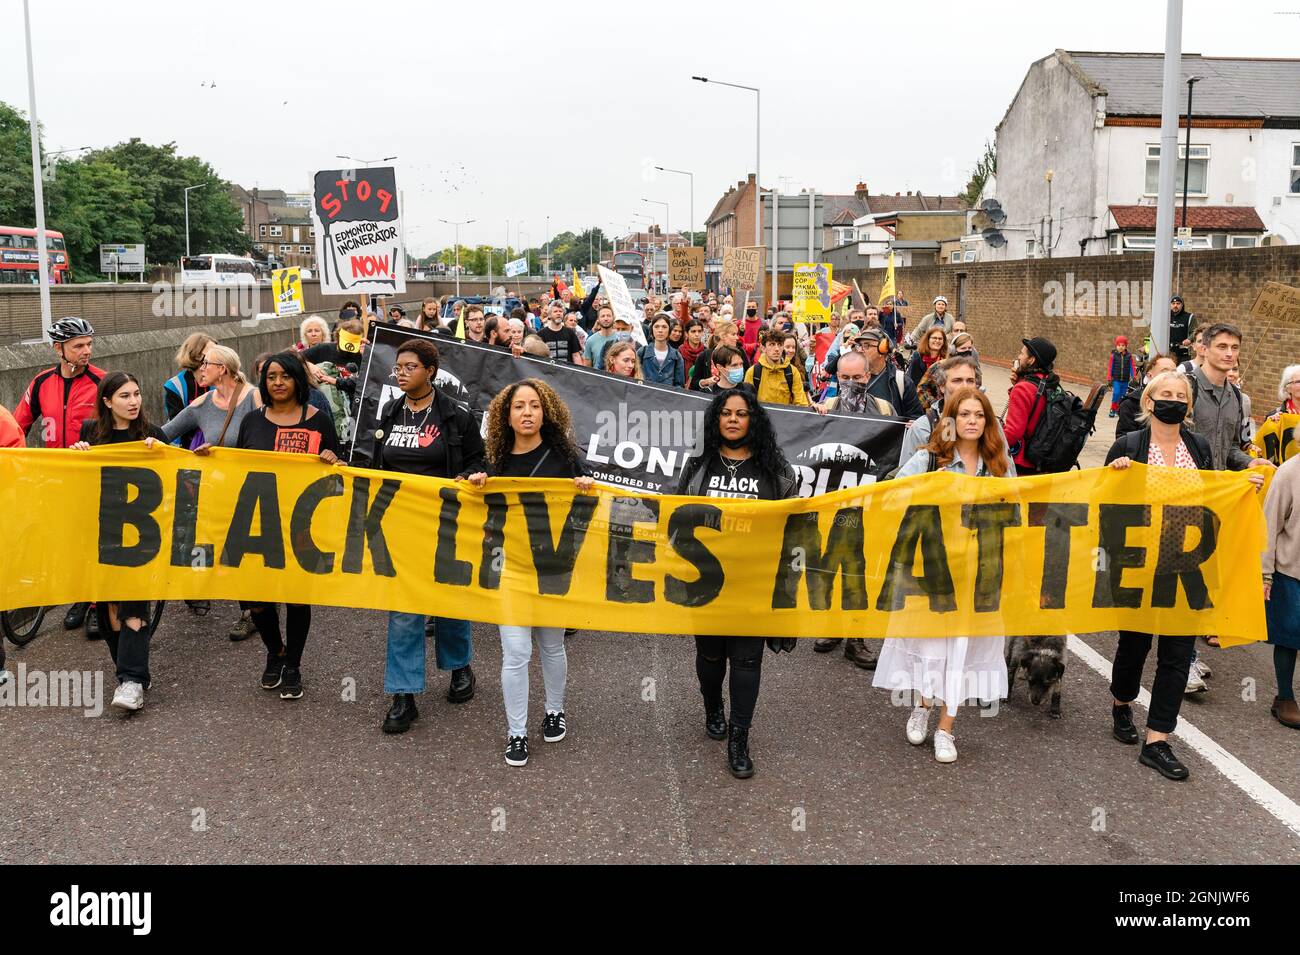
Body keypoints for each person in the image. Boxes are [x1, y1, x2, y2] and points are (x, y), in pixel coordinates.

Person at [1104, 370, 1263, 778]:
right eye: (1166, 393)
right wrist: (1115, 476)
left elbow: (1212, 495)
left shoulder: (1199, 446)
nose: (1173, 399)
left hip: (1186, 564)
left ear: (1188, 407)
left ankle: (1158, 740)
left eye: (1180, 395)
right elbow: (1100, 505)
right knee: (1134, 648)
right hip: (1139, 565)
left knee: (1176, 655)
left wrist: (1244, 486)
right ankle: (1122, 703)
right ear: (1149, 402)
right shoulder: (1129, 445)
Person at [873, 387, 1014, 763]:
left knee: (964, 650)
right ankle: (922, 706)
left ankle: (946, 728)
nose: (972, 421)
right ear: (951, 421)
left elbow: (1018, 507)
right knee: (933, 647)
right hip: (933, 572)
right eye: (964, 414)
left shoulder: (1000, 465)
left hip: (979, 575)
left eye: (979, 415)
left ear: (988, 423)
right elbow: (891, 496)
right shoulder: (929, 461)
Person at [465, 380, 593, 766]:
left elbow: (590, 504)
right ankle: (516, 733)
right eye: (518, 406)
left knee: (551, 645)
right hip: (510, 569)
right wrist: (475, 484)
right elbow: (470, 500)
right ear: (506, 415)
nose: (526, 412)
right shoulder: (495, 462)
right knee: (516, 651)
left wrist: (586, 486)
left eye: (534, 405)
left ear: (545, 412)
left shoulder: (565, 457)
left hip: (551, 567)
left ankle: (555, 709)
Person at [675, 389, 799, 778]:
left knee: (747, 660)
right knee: (712, 657)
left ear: (753, 420)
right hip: (706, 585)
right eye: (725, 413)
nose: (732, 419)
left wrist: (787, 601)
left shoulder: (778, 472)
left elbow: (793, 537)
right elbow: (676, 520)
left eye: (741, 414)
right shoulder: (697, 466)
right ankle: (713, 706)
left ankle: (740, 738)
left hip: (754, 585)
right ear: (716, 420)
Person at [373, 338, 483, 733]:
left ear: (430, 371)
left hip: (446, 523)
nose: (400, 373)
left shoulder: (456, 416)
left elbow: (477, 459)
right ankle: (404, 695)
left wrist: (471, 476)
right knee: (404, 609)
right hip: (399, 525)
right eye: (398, 367)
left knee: (449, 599)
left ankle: (458, 667)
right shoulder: (389, 412)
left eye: (409, 367)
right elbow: (376, 465)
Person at [230, 352, 341, 700]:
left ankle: (293, 663)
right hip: (259, 523)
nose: (277, 382)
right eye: (271, 376)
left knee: (296, 598)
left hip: (302, 526)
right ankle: (275, 650)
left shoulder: (318, 420)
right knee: (257, 600)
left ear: (297, 380)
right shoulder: (251, 421)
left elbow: (339, 470)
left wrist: (333, 461)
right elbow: (237, 466)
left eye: (285, 376)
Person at [69, 372, 168, 712]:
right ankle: (131, 671)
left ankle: (132, 680)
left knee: (134, 608)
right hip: (103, 535)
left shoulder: (153, 435)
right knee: (110, 612)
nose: (134, 401)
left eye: (137, 394)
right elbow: (76, 483)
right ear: (108, 402)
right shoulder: (90, 434)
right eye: (125, 396)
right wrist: (78, 456)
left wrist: (163, 455)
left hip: (142, 537)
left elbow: (179, 476)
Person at [162, 343, 262, 641]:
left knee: (245, 552)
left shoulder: (254, 397)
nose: (200, 369)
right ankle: (201, 588)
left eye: (205, 364)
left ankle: (252, 610)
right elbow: (164, 434)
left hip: (250, 488)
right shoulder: (203, 403)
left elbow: (268, 438)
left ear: (224, 369)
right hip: (214, 490)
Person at [15, 317, 104, 451]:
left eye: (89, 344)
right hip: (54, 467)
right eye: (79, 346)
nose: (87, 351)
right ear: (58, 348)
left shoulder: (103, 381)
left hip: (91, 467)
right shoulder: (41, 382)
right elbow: (16, 426)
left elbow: (130, 425)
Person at [1263, 436, 1300, 728]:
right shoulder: (1288, 473)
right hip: (1291, 571)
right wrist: (1265, 573)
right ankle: (1284, 697)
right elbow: (1269, 525)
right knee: (1289, 636)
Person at [1002, 336, 1059, 477]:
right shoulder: (1049, 382)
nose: (1018, 357)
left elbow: (1013, 432)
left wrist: (988, 446)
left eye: (1022, 353)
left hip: (1024, 463)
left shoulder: (1023, 389)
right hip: (1044, 458)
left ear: (1031, 360)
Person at [163, 332, 214, 447]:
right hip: (185, 449)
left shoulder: (221, 381)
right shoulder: (174, 386)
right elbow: (178, 425)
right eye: (209, 355)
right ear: (194, 356)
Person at [1115, 353, 1177, 442]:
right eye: (1164, 371)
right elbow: (1124, 441)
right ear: (1149, 375)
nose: (1170, 376)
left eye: (1174, 372)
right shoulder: (1131, 404)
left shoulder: (1179, 404)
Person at [744, 329, 811, 406]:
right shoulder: (753, 372)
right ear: (763, 348)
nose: (776, 349)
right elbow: (747, 405)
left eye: (779, 344)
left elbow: (801, 404)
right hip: (761, 417)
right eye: (772, 344)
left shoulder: (792, 372)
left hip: (786, 417)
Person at [638, 314, 686, 387]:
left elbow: (679, 385)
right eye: (656, 326)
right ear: (652, 330)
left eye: (664, 327)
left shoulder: (676, 356)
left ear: (669, 330)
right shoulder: (642, 352)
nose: (660, 330)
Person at [1106, 335, 1139, 418]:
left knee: (1122, 395)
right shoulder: (1113, 356)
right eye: (1119, 345)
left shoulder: (1129, 356)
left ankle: (1118, 409)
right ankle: (1113, 409)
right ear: (1116, 346)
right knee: (1116, 393)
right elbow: (1110, 367)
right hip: (1116, 379)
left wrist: (1134, 376)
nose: (1121, 347)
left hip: (1125, 380)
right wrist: (1109, 377)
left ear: (1126, 346)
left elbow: (1132, 366)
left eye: (1123, 345)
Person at [1168, 295, 1197, 364]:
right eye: (1173, 303)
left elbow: (1195, 331)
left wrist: (1189, 339)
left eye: (1178, 303)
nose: (1175, 305)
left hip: (1183, 353)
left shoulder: (1190, 317)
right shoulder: (1166, 316)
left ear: (1182, 305)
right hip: (1168, 353)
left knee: (1182, 374)